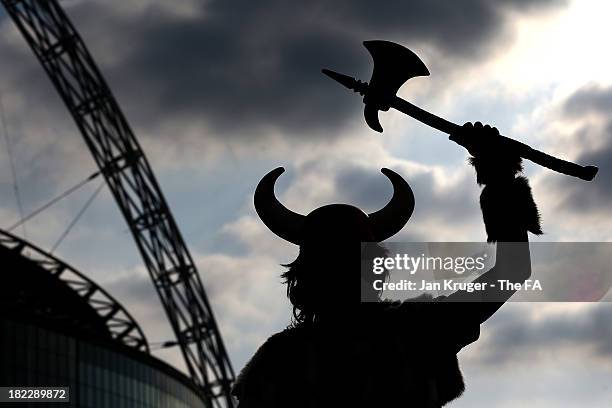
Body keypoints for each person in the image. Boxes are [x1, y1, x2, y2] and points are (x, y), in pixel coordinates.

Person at [232, 122, 542, 407]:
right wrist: (498, 174)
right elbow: (510, 271)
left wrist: (498, 176)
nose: (345, 272)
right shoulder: (414, 328)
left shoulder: (279, 359)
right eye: (339, 262)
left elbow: (510, 272)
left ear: (302, 278)